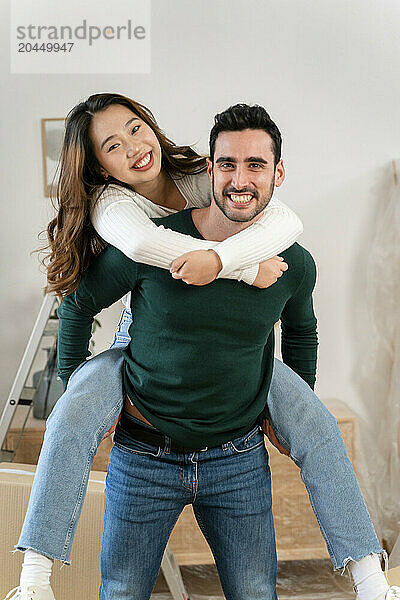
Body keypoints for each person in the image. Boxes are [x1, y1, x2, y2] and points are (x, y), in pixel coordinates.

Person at [4, 98, 394, 599]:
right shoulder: (125, 218)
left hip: (236, 454)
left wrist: (288, 401)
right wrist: (76, 374)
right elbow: (86, 296)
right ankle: (34, 583)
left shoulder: (287, 255)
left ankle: (371, 583)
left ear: (279, 173)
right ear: (212, 168)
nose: (239, 178)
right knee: (72, 415)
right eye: (228, 164)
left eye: (256, 165)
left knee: (315, 430)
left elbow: (300, 327)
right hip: (144, 439)